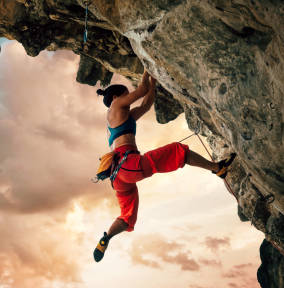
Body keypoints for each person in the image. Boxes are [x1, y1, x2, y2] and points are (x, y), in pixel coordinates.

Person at [93, 70, 236, 262]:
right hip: (129, 165)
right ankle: (216, 168)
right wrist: (146, 70)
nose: (128, 97)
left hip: (119, 177)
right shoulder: (116, 105)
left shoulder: (121, 118)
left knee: (127, 217)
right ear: (117, 96)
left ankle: (107, 237)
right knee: (178, 151)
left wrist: (153, 82)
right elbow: (142, 90)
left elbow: (146, 103)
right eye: (126, 94)